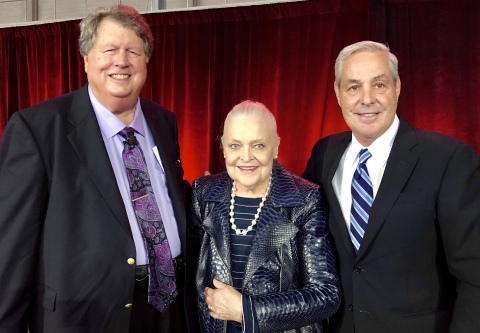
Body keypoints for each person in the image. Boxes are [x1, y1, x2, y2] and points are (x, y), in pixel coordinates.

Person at [0, 5, 195, 333]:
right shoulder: (38, 129)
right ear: (87, 58)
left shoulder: (164, 122)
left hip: (171, 312)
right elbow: (12, 250)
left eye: (133, 51)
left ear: (146, 61)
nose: (121, 61)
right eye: (110, 50)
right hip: (87, 318)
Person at [302, 40, 480, 333]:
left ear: (397, 87)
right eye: (353, 87)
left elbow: (475, 274)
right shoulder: (324, 154)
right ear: (337, 93)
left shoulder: (447, 159)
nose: (366, 98)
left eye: (379, 85)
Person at [190, 100, 341, 332]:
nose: (246, 157)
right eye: (235, 145)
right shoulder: (204, 193)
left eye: (258, 145)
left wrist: (246, 311)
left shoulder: (305, 199)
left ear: (276, 147)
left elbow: (325, 295)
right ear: (223, 148)